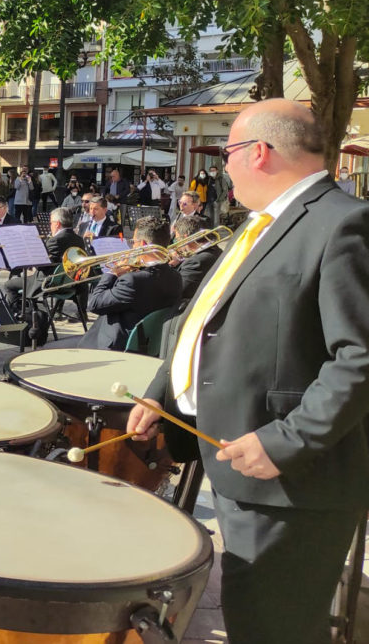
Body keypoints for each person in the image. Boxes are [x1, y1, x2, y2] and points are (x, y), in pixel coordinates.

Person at [127, 99, 369, 644]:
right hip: (239, 462)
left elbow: (360, 357)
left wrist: (285, 442)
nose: (224, 168)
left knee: (272, 630)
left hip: (289, 484)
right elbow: (204, 318)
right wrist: (162, 393)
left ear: (259, 152)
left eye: (230, 152)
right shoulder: (262, 221)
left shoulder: (344, 223)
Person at [54, 215, 180, 351]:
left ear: (143, 245)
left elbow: (94, 304)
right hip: (149, 343)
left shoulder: (133, 281)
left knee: (48, 348)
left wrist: (112, 273)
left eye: (134, 242)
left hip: (113, 345)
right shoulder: (176, 276)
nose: (132, 246)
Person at [169, 213, 221, 303]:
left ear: (185, 238)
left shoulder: (196, 262)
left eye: (177, 240)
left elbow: (175, 293)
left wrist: (168, 267)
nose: (176, 245)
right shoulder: (216, 250)